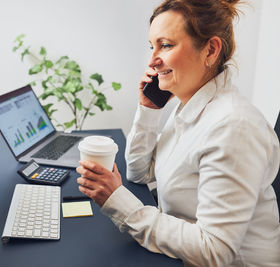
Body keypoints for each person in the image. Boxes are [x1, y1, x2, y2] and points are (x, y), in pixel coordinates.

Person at [76, 0, 280, 266]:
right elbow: (138, 172)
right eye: (152, 46)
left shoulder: (233, 128)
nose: (152, 60)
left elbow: (214, 251)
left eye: (166, 45)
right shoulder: (190, 106)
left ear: (211, 50)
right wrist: (149, 109)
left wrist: (120, 203)